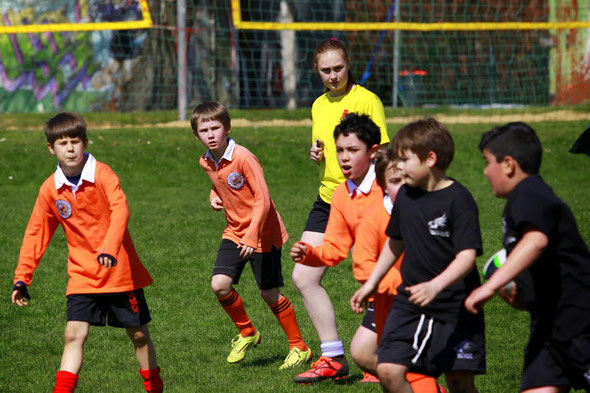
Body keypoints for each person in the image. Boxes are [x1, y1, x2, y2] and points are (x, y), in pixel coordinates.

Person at [11, 112, 163, 393]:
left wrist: (110, 248)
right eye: (62, 143)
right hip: (82, 274)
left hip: (119, 271)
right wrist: (23, 277)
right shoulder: (50, 189)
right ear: (51, 148)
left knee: (140, 335)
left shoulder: (103, 174)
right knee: (73, 333)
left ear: (85, 142)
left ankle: (154, 388)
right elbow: (36, 233)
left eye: (75, 141)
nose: (69, 148)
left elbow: (121, 209)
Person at [351, 117, 486, 393]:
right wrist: (372, 283)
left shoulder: (459, 199)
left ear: (431, 159)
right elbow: (394, 243)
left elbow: (467, 256)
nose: (398, 166)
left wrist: (436, 285)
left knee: (459, 381)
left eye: (405, 159)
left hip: (455, 305)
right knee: (388, 370)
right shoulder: (407, 197)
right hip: (411, 302)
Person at [465, 122, 590, 393]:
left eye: (488, 162)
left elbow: (536, 242)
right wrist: (516, 294)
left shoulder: (529, 193)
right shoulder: (524, 199)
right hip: (547, 327)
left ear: (508, 164)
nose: (485, 172)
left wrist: (486, 288)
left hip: (580, 321)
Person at [292, 37, 390, 383]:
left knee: (380, 278)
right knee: (303, 275)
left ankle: (379, 358)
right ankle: (333, 356)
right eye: (326, 70)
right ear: (316, 72)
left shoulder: (366, 100)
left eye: (339, 68)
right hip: (329, 199)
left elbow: (382, 151)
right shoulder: (319, 105)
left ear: (349, 64)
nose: (333, 76)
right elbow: (325, 144)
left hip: (365, 200)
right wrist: (317, 153)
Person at [191, 101, 311, 370]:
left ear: (228, 128)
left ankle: (299, 347)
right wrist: (214, 195)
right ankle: (247, 332)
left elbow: (263, 199)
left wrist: (252, 236)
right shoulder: (206, 160)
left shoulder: (243, 157)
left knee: (268, 293)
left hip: (263, 233)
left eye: (215, 128)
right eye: (204, 130)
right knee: (219, 285)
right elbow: (221, 183)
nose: (210, 134)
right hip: (234, 231)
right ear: (196, 135)